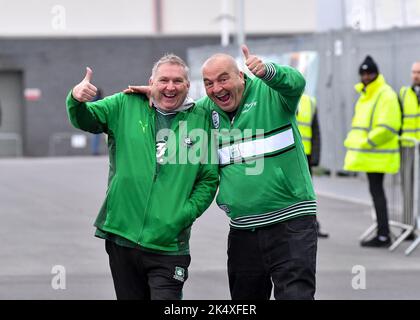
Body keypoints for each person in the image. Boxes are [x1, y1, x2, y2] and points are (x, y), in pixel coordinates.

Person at [66, 54, 219, 300]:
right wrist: (76, 98)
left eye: (178, 81)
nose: (170, 86)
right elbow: (85, 118)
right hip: (122, 238)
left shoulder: (200, 119)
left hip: (169, 245)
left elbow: (209, 178)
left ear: (188, 86)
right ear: (152, 81)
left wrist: (183, 213)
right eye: (164, 80)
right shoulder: (124, 105)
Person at [198, 45, 318, 300]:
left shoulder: (270, 92)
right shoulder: (206, 111)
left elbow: (296, 82)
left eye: (223, 79)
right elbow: (175, 106)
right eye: (208, 83)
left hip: (291, 224)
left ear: (241, 76)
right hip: (243, 231)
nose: (216, 89)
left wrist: (269, 71)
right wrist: (153, 96)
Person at [343, 55, 401, 248]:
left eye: (370, 73)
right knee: (376, 193)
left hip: (378, 154)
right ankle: (382, 231)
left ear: (377, 74)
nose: (366, 76)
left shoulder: (385, 94)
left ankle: (383, 234)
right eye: (363, 73)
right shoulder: (367, 95)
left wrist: (367, 142)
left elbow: (389, 126)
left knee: (378, 194)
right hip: (370, 155)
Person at [296, 94, 329, 238]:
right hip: (287, 155)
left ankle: (312, 225)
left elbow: (316, 132)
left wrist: (315, 157)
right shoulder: (277, 96)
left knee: (307, 194)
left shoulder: (309, 102)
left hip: (305, 155)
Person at [399, 61, 420, 237]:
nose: (416, 75)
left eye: (418, 72)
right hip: (408, 148)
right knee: (407, 188)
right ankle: (407, 228)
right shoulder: (404, 93)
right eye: (414, 72)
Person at [90, 88, 103, 155]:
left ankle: (95, 151)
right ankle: (95, 151)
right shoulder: (99, 99)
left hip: (95, 121)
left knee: (96, 137)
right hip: (97, 121)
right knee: (96, 137)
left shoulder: (94, 100)